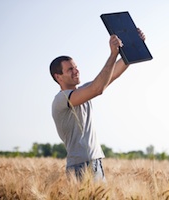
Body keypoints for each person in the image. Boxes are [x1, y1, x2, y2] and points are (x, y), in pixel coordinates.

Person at [50, 29, 146, 181]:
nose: (76, 71)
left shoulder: (83, 91)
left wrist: (133, 45)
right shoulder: (61, 99)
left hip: (95, 163)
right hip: (80, 167)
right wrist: (113, 54)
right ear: (58, 77)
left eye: (76, 67)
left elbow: (112, 74)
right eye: (70, 69)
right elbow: (97, 88)